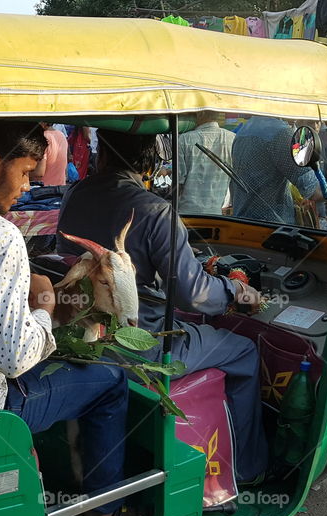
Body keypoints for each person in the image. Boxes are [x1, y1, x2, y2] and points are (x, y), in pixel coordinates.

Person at [58, 130, 268, 484]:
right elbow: (195, 295)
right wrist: (235, 290)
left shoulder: (75, 194)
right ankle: (248, 471)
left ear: (103, 157)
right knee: (244, 350)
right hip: (141, 346)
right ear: (150, 164)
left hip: (84, 337)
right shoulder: (154, 210)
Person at [0, 119, 146, 516]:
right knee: (111, 382)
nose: (26, 189)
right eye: (25, 175)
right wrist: (47, 309)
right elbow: (13, 357)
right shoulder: (1, 235)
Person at [230, 116, 327, 225]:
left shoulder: (244, 131)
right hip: (273, 230)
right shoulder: (280, 133)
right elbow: (313, 189)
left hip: (241, 224)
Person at [177, 111, 235, 215]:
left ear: (197, 114)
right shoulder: (232, 138)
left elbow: (178, 181)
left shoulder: (184, 139)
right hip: (218, 213)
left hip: (188, 213)